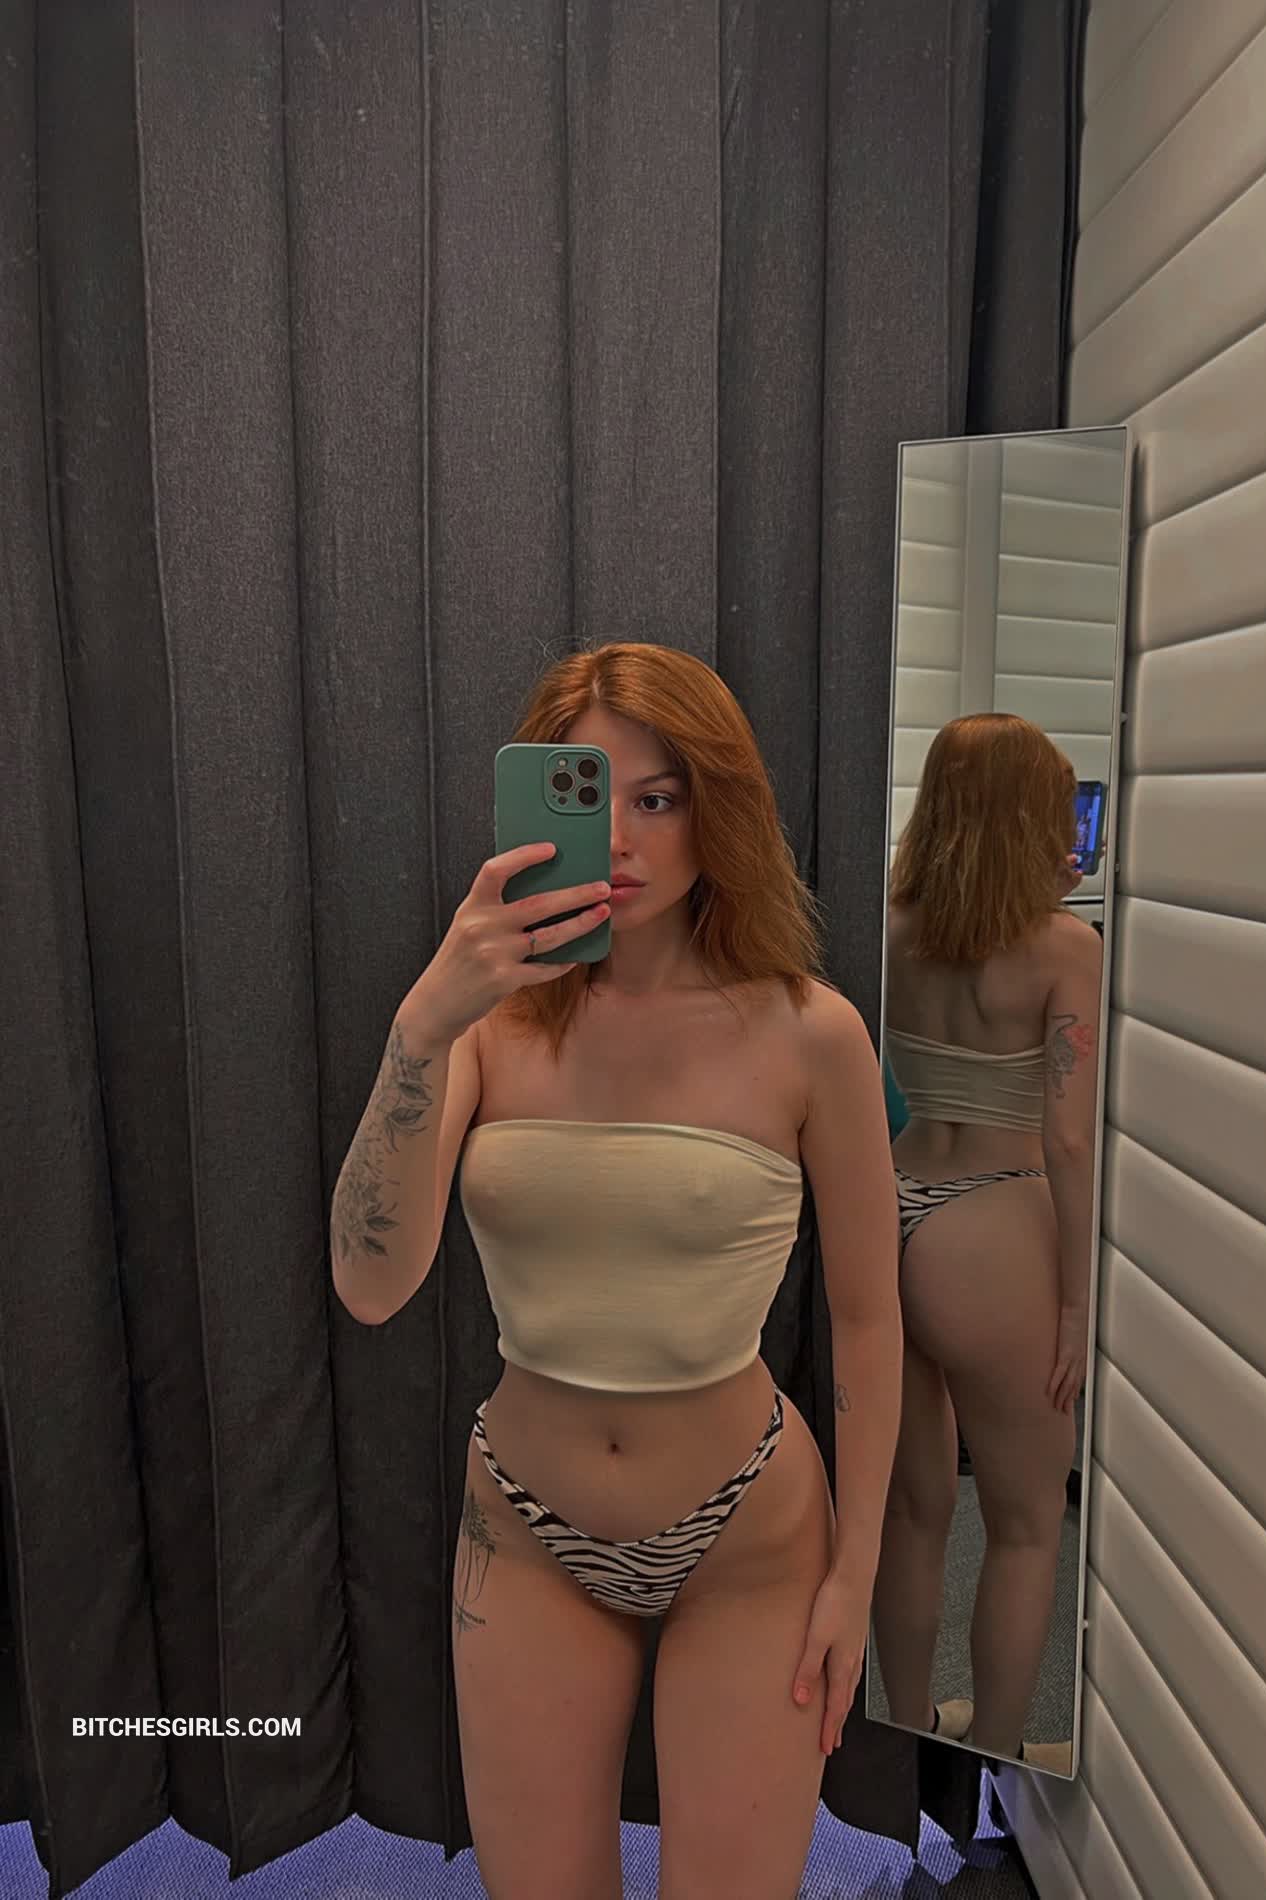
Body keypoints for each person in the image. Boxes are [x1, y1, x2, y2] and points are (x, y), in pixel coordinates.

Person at [329, 642, 903, 1900]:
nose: (628, 838)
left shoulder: (810, 1031)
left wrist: (855, 1574)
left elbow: (867, 1319)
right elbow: (370, 1284)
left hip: (751, 1534)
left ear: (718, 808)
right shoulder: (485, 1024)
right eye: (595, 793)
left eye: (662, 796)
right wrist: (420, 1025)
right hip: (526, 1528)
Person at [870, 712, 1102, 1770]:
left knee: (913, 1508)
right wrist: (1076, 1302)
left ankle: (907, 1729)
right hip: (993, 1221)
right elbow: (1067, 1137)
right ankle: (998, 1764)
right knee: (1022, 1523)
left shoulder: (891, 924)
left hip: (892, 1201)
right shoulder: (1064, 946)